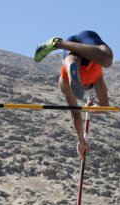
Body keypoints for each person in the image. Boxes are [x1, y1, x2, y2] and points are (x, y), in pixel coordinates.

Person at [34, 30, 113, 160]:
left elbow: (76, 113)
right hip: (86, 42)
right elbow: (104, 106)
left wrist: (81, 140)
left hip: (76, 50)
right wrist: (90, 110)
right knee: (106, 58)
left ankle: (61, 48)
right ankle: (61, 46)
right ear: (89, 85)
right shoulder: (97, 77)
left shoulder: (94, 77)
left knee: (102, 59)